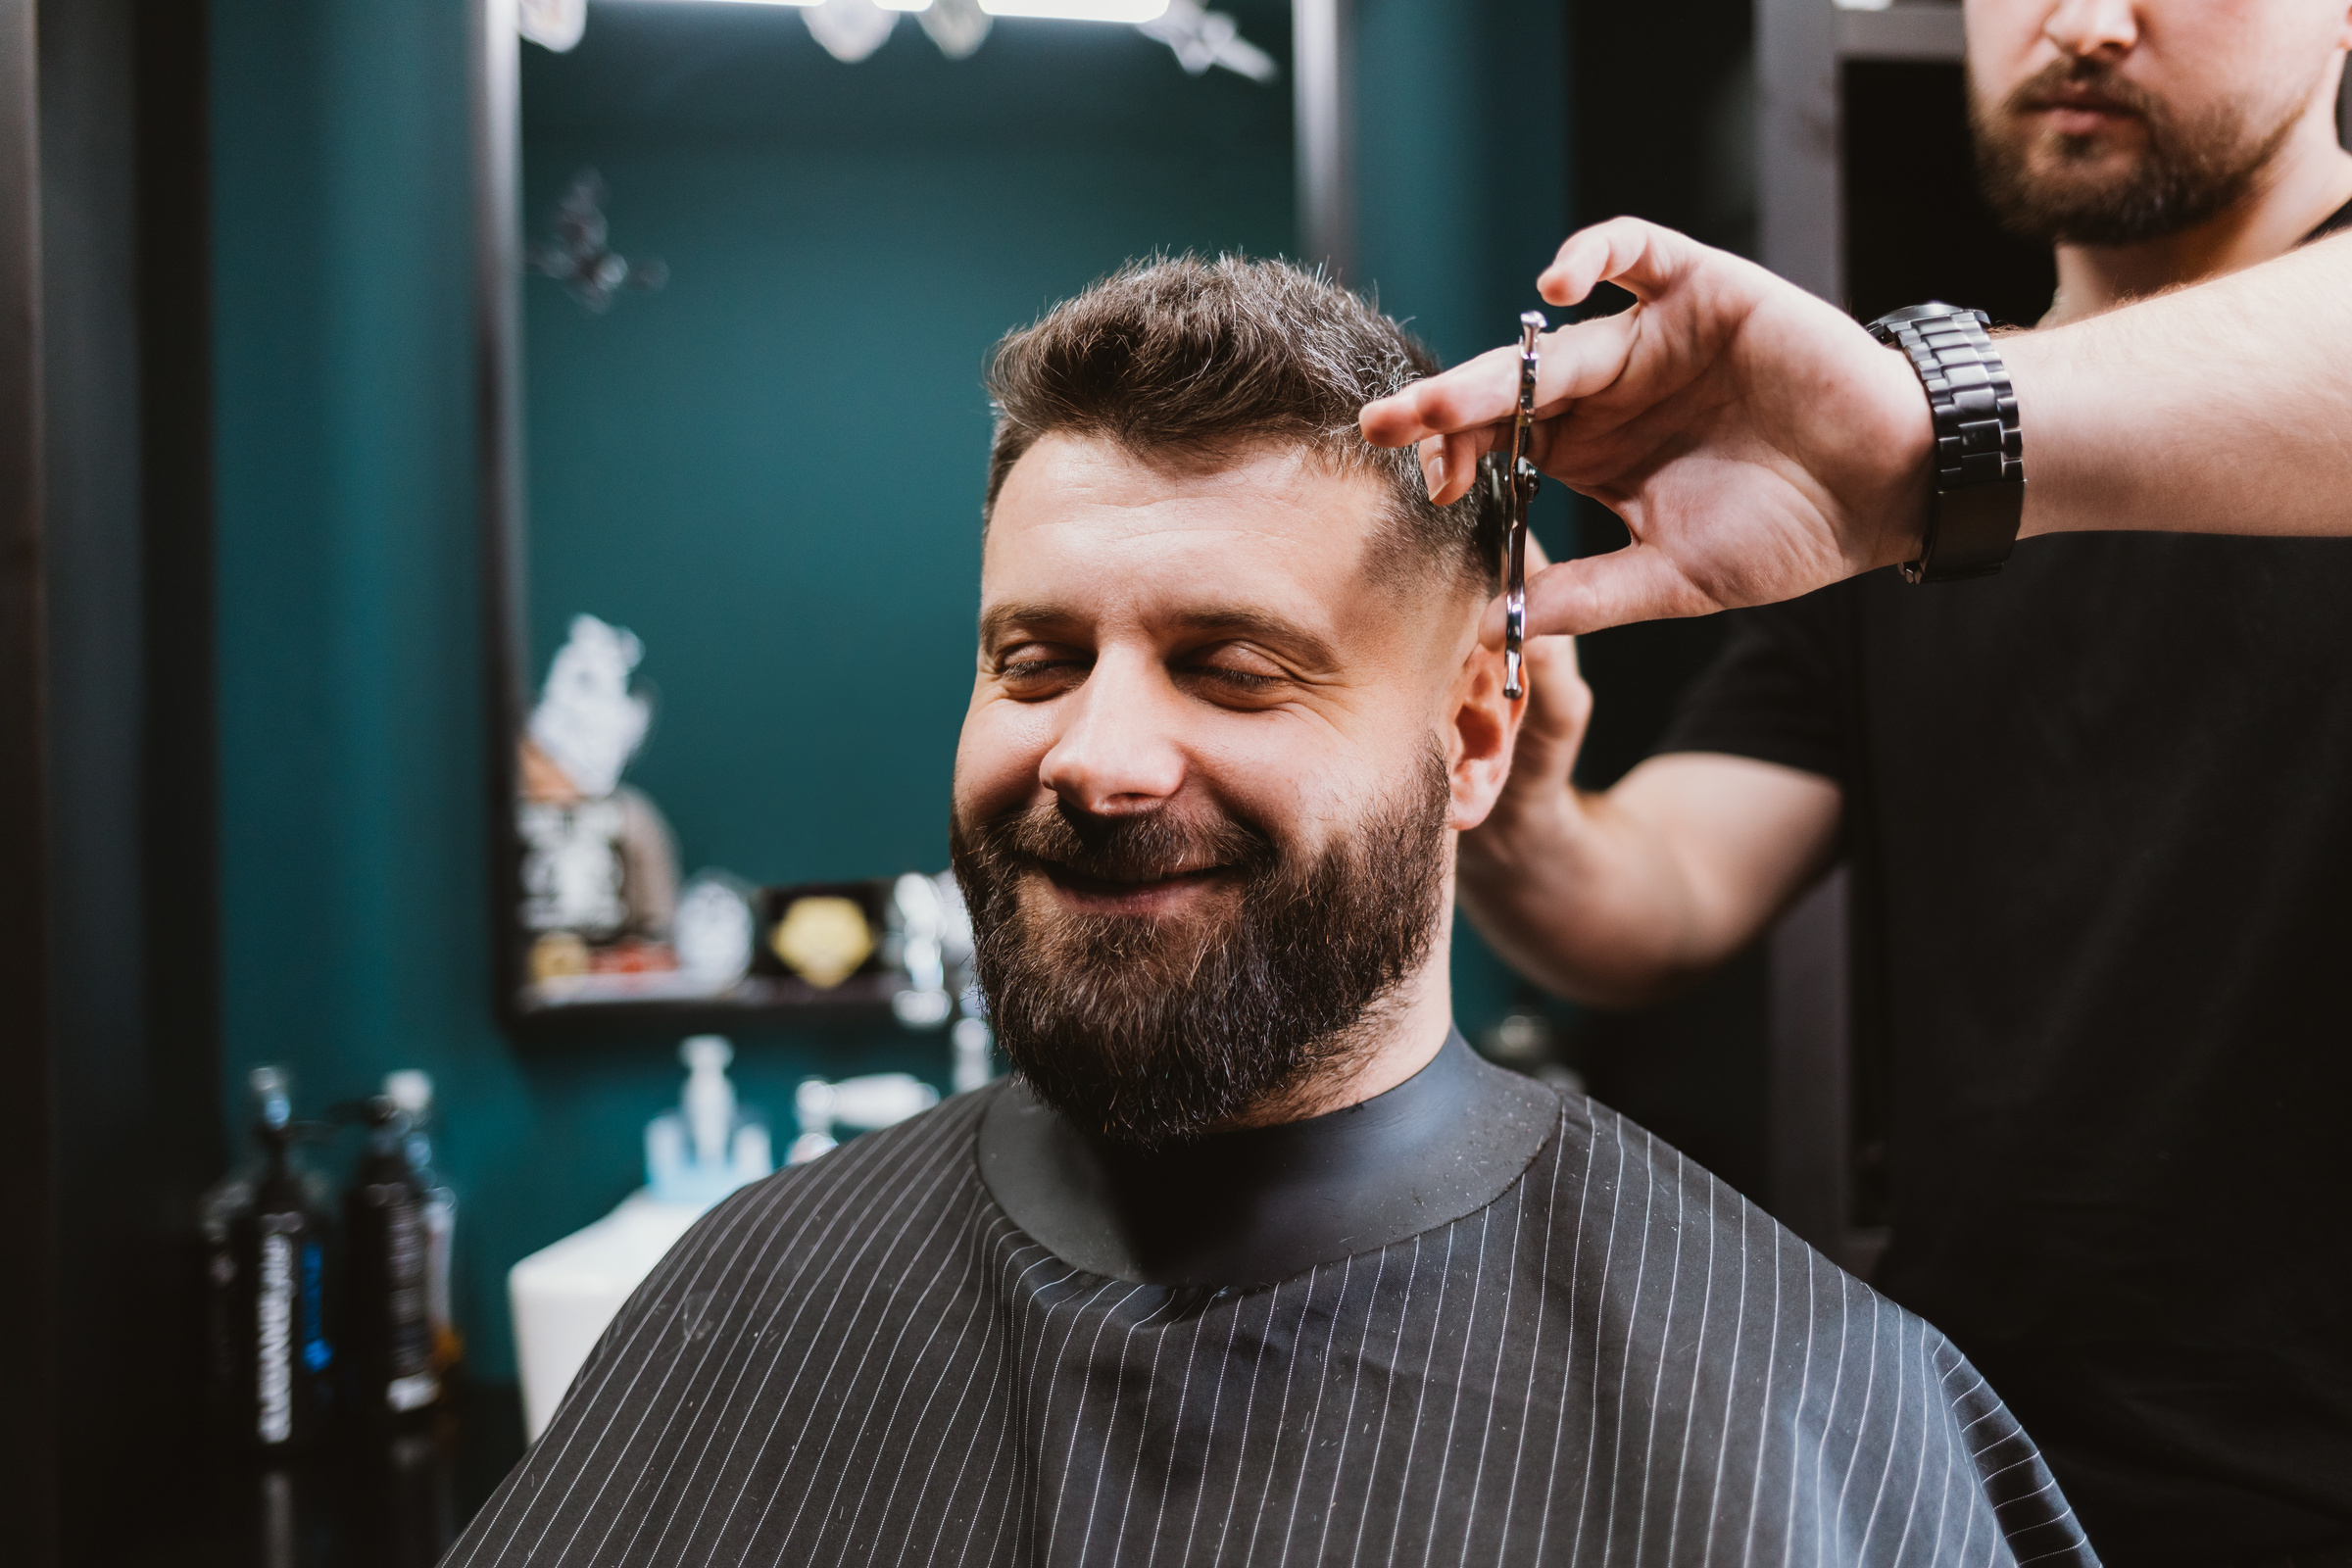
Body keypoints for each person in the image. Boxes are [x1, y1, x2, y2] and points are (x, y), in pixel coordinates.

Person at [446, 261, 2094, 1568]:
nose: (1096, 756)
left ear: (1472, 736)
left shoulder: (1791, 1404)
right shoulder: (746, 1308)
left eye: (1230, 668)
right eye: (1036, 663)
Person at [1363, 0, 2352, 1555]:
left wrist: (1926, 433)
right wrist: (1511, 799)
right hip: (1981, 1478)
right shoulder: (1892, 482)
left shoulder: (1916, 443)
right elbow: (1661, 901)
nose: (2085, 21)